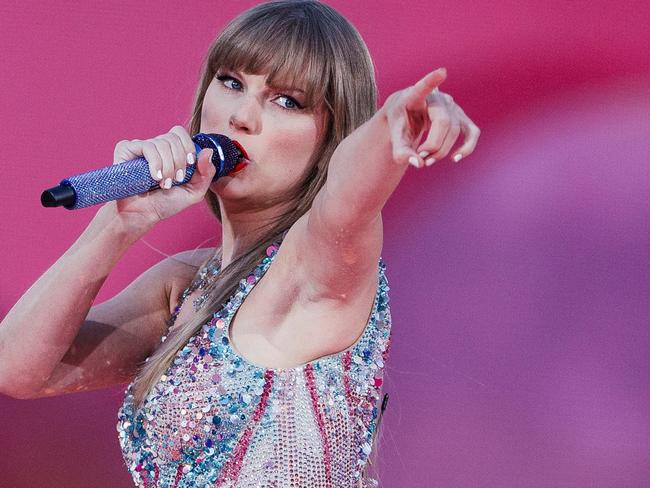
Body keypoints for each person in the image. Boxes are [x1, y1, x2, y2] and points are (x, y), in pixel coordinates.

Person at [0, 1, 480, 486]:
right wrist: (117, 224)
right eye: (231, 82)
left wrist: (393, 123)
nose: (241, 116)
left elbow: (348, 193)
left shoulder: (315, 266)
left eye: (286, 101)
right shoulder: (184, 285)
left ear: (330, 140)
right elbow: (17, 369)